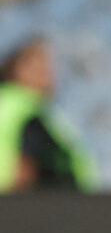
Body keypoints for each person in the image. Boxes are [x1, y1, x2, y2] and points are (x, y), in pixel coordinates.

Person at [0, 37, 96, 193]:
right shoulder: (23, 108)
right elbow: (24, 166)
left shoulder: (13, 104)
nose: (46, 72)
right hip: (29, 206)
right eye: (37, 64)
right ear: (16, 67)